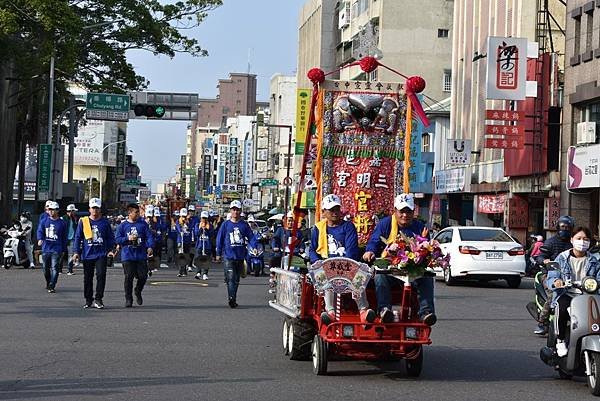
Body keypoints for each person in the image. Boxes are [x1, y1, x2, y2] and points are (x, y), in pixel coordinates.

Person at [363, 193, 436, 326]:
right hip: (390, 271)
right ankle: (384, 310)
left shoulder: (419, 227)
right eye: (402, 212)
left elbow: (426, 248)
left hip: (411, 270)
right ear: (395, 211)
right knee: (380, 276)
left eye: (409, 212)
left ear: (413, 212)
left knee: (427, 277)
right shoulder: (385, 224)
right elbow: (374, 241)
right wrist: (370, 251)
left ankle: (426, 313)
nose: (405, 215)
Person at [309, 194, 376, 325]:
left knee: (359, 275)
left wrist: (345, 265)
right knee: (326, 274)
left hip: (346, 264)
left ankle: (363, 311)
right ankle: (330, 311)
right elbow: (312, 249)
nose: (334, 213)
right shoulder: (317, 228)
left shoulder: (348, 226)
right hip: (325, 264)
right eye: (331, 210)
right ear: (324, 212)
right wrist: (316, 261)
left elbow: (351, 250)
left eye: (336, 209)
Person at [546, 227, 600, 357]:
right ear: (572, 240)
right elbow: (552, 277)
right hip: (567, 294)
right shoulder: (562, 257)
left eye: (586, 239)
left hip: (588, 295)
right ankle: (560, 340)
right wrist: (556, 281)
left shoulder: (594, 260)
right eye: (579, 238)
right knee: (561, 307)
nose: (582, 242)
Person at [533, 216, 576, 335]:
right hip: (550, 274)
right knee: (554, 294)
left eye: (568, 228)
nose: (565, 229)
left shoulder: (573, 243)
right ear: (557, 227)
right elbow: (540, 256)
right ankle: (542, 322)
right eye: (562, 227)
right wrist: (545, 261)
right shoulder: (550, 242)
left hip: (569, 275)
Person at [72, 198, 116, 309]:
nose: (95, 210)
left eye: (97, 208)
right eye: (93, 208)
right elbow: (78, 237)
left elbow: (110, 238)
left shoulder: (105, 222)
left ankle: (98, 299)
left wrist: (111, 250)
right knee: (88, 278)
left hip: (101, 254)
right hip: (88, 254)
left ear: (100, 209)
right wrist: (76, 252)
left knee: (101, 276)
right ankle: (88, 300)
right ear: (89, 209)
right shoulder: (84, 221)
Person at [215, 200, 254, 308]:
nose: (235, 212)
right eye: (233, 210)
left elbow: (251, 237)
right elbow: (220, 239)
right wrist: (218, 253)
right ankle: (231, 299)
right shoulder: (226, 224)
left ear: (240, 211)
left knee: (236, 280)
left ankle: (233, 297)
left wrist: (254, 247)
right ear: (230, 211)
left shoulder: (244, 225)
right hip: (228, 256)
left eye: (237, 210)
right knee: (231, 278)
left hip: (240, 256)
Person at [115, 203, 154, 308]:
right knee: (129, 277)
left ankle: (138, 290)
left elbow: (149, 236)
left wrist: (150, 247)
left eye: (138, 212)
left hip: (140, 254)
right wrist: (127, 239)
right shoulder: (122, 226)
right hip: (127, 255)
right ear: (130, 213)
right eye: (136, 212)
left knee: (143, 276)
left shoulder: (143, 224)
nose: (138, 214)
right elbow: (117, 239)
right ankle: (128, 298)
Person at [36, 201, 68, 293]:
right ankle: (48, 282)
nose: (50, 211)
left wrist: (63, 249)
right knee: (45, 268)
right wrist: (40, 239)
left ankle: (52, 285)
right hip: (46, 248)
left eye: (52, 210)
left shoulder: (62, 223)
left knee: (54, 267)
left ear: (57, 210)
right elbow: (40, 231)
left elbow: (64, 237)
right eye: (49, 209)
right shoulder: (44, 221)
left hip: (56, 249)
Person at [193, 211, 215, 280]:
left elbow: (212, 234)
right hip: (199, 245)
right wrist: (201, 228)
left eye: (205, 218)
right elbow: (196, 234)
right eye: (203, 218)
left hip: (207, 245)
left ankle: (205, 273)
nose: (204, 220)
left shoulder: (210, 226)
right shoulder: (197, 225)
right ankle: (198, 272)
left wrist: (207, 229)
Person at [62, 204, 79, 275]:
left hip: (72, 239)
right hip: (64, 238)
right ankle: (59, 270)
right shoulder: (63, 218)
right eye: (73, 211)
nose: (74, 212)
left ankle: (70, 270)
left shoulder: (75, 218)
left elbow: (76, 227)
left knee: (71, 255)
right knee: (61, 254)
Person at [176, 207, 193, 277]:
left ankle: (185, 270)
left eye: (185, 216)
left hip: (187, 241)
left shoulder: (190, 221)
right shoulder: (178, 221)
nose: (183, 217)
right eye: (182, 216)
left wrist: (187, 222)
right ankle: (180, 271)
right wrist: (181, 226)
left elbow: (191, 228)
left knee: (186, 256)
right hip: (180, 241)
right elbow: (178, 229)